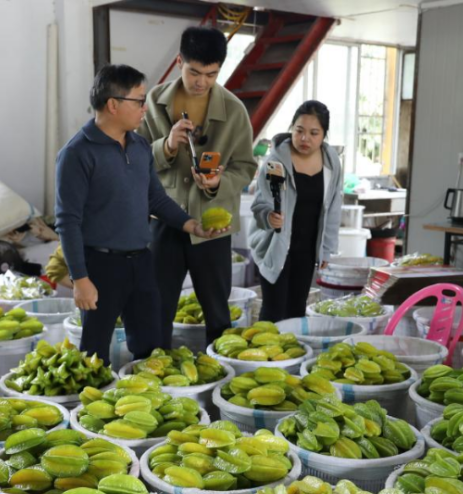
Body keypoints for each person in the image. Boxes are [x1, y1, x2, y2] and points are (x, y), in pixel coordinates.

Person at [54, 64, 220, 365]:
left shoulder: (140, 146)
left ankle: (148, 406)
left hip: (143, 261)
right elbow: (67, 221)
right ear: (113, 104)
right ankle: (90, 408)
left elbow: (155, 198)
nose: (145, 108)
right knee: (94, 353)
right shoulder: (77, 153)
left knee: (151, 346)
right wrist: (80, 278)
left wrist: (190, 225)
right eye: (138, 101)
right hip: (101, 265)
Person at [138, 26, 257, 348]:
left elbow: (246, 167)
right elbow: (133, 161)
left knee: (217, 309)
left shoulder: (234, 111)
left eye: (211, 74)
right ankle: (155, 368)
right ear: (180, 62)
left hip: (213, 224)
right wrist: (166, 147)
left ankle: (220, 371)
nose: (201, 82)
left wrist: (220, 182)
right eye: (194, 72)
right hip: (164, 220)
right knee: (157, 304)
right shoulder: (153, 101)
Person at [249, 101, 343, 322]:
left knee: (296, 311)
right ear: (291, 128)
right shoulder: (276, 162)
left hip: (307, 249)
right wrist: (269, 218)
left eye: (313, 133)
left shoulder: (331, 163)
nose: (304, 138)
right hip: (275, 246)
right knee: (274, 311)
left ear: (323, 135)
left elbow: (333, 208)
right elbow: (259, 206)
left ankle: (293, 356)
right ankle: (264, 355)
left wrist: (327, 250)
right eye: (299, 131)